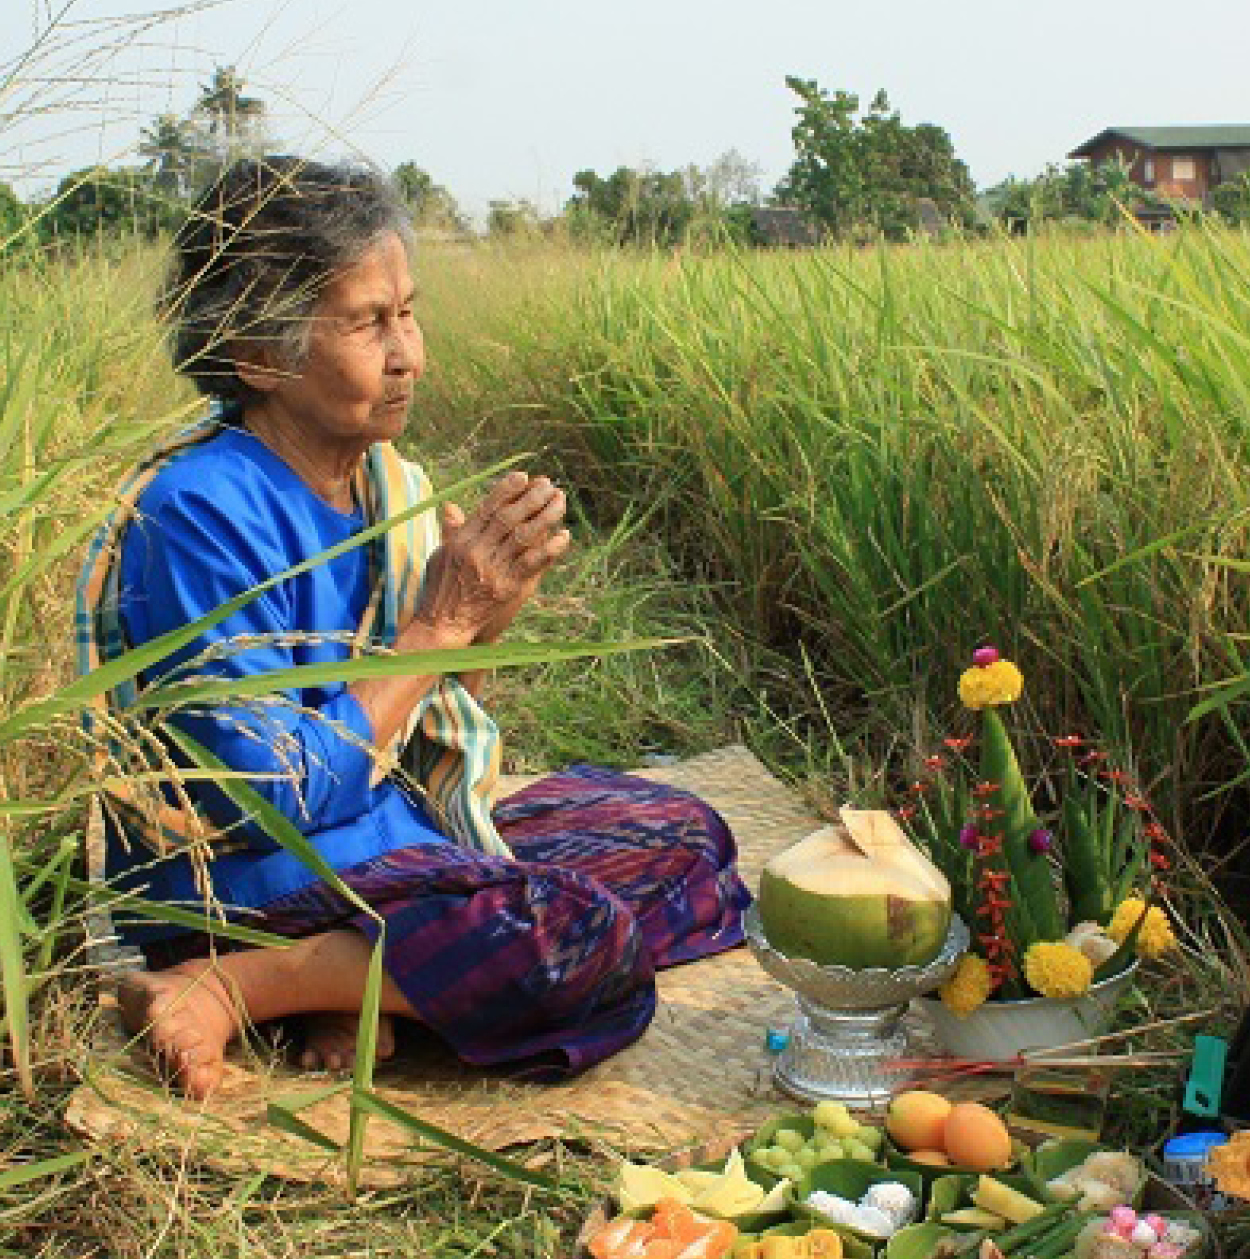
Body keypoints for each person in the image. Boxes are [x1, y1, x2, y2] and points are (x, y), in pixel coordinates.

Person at [78, 157, 749, 1097]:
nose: (410, 353)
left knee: (679, 834)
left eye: (408, 312)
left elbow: (428, 734)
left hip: (383, 833)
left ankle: (358, 981)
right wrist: (437, 625)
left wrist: (488, 612)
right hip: (243, 883)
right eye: (367, 323)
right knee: (578, 939)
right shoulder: (197, 513)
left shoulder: (386, 486)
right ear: (259, 353)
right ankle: (234, 983)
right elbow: (265, 802)